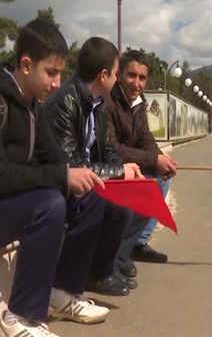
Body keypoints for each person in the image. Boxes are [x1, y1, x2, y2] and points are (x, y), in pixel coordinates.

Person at [0, 18, 110, 337]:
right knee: (49, 204)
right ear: (27, 65)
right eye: (51, 72)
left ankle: (60, 293)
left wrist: (77, 175)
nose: (58, 82)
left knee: (89, 195)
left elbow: (55, 158)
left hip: (5, 203)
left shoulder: (32, 106)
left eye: (61, 73)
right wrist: (61, 177)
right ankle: (21, 318)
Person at [43, 36, 143, 301]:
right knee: (113, 206)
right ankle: (94, 275)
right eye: (116, 73)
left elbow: (108, 149)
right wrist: (120, 173)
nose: (118, 78)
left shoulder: (96, 102)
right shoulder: (66, 102)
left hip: (85, 178)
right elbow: (72, 166)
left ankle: (104, 268)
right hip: (61, 182)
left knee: (133, 196)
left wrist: (125, 169)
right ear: (103, 75)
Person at [103, 50, 177, 279]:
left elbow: (145, 138)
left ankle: (135, 244)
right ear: (119, 75)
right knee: (149, 189)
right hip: (111, 166)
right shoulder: (108, 102)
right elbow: (113, 148)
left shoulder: (138, 103)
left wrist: (160, 160)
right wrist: (154, 160)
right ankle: (117, 254)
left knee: (162, 179)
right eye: (131, 76)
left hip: (130, 164)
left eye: (142, 78)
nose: (137, 83)